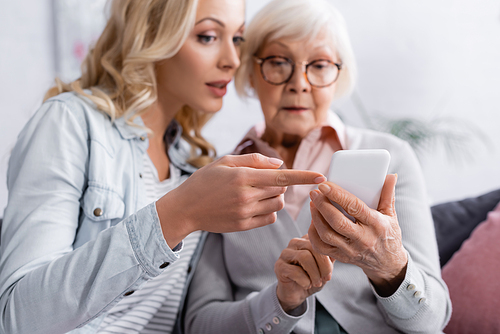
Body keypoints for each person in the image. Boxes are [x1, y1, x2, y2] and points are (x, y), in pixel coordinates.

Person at [0, 0, 327, 333]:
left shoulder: (193, 163)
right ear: (153, 34)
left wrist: (282, 301)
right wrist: (177, 214)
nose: (232, 60)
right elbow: (18, 318)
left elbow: (193, 324)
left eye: (238, 39)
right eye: (208, 36)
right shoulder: (69, 123)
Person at [184, 0, 452, 333]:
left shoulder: (391, 156)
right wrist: (279, 302)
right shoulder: (221, 177)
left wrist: (388, 266)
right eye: (279, 62)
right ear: (250, 73)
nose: (299, 83)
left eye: (320, 64)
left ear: (339, 75)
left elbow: (432, 319)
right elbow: (198, 324)